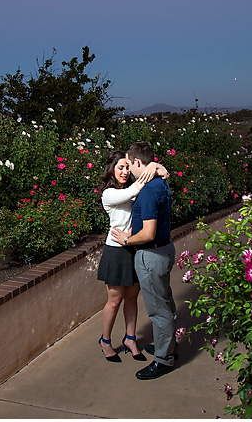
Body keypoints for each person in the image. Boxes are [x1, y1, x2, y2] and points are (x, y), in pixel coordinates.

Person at [110, 141, 177, 380]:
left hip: (151, 254)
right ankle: (168, 346)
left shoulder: (148, 191)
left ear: (138, 162)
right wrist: (158, 167)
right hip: (165, 249)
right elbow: (160, 172)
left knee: (159, 310)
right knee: (166, 302)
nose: (127, 169)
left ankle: (163, 359)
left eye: (129, 164)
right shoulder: (159, 183)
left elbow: (147, 233)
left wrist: (127, 240)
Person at [96, 151, 167, 363]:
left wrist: (154, 166)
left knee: (131, 298)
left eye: (128, 167)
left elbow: (165, 173)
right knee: (114, 301)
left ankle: (130, 338)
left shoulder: (132, 188)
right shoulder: (109, 193)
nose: (125, 172)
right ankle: (105, 341)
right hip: (116, 251)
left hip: (134, 247)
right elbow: (135, 189)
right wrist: (151, 167)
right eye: (120, 167)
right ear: (111, 170)